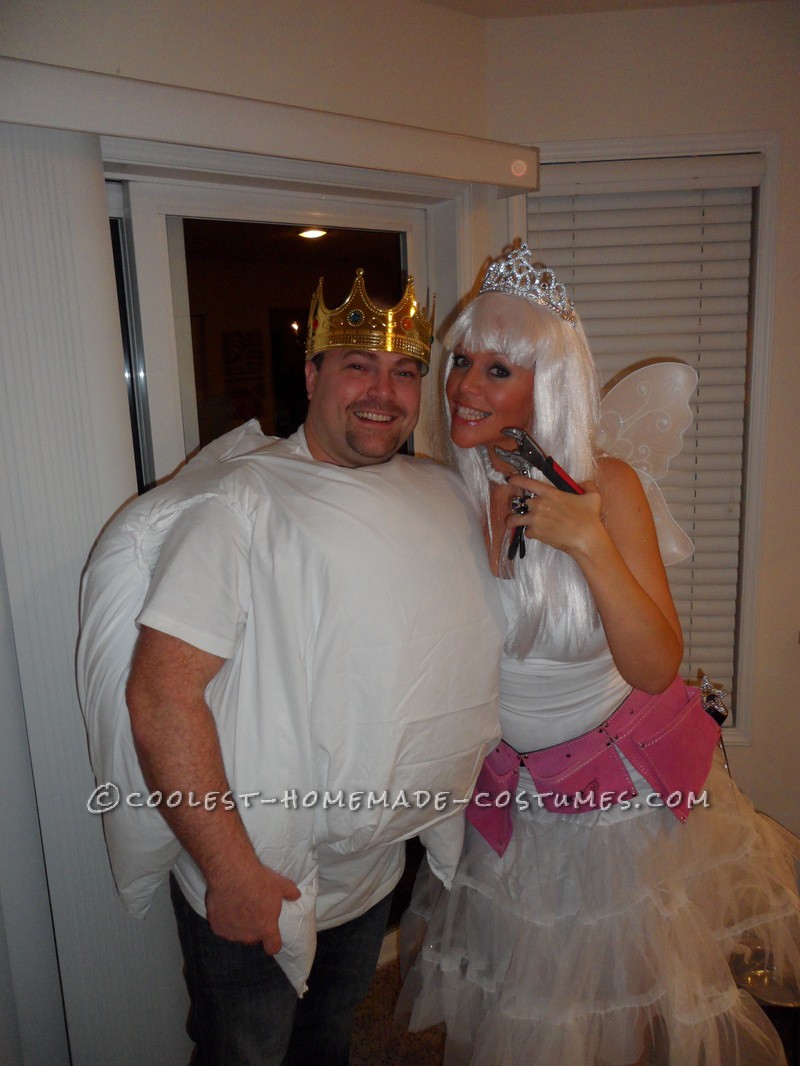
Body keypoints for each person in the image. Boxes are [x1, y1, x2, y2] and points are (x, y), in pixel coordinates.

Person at [79, 268, 505, 1065]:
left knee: (327, 1044)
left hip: (373, 869)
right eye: (356, 365)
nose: (384, 390)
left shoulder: (438, 494)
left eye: (406, 371)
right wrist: (228, 870)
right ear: (311, 375)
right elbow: (162, 694)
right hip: (258, 878)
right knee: (246, 1052)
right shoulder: (238, 505)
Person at [398, 244, 800, 1065]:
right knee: (531, 997)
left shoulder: (608, 486)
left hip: (621, 792)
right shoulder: (446, 489)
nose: (465, 387)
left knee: (640, 994)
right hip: (516, 794)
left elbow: (656, 665)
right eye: (462, 361)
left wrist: (590, 543)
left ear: (548, 383)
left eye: (498, 369)